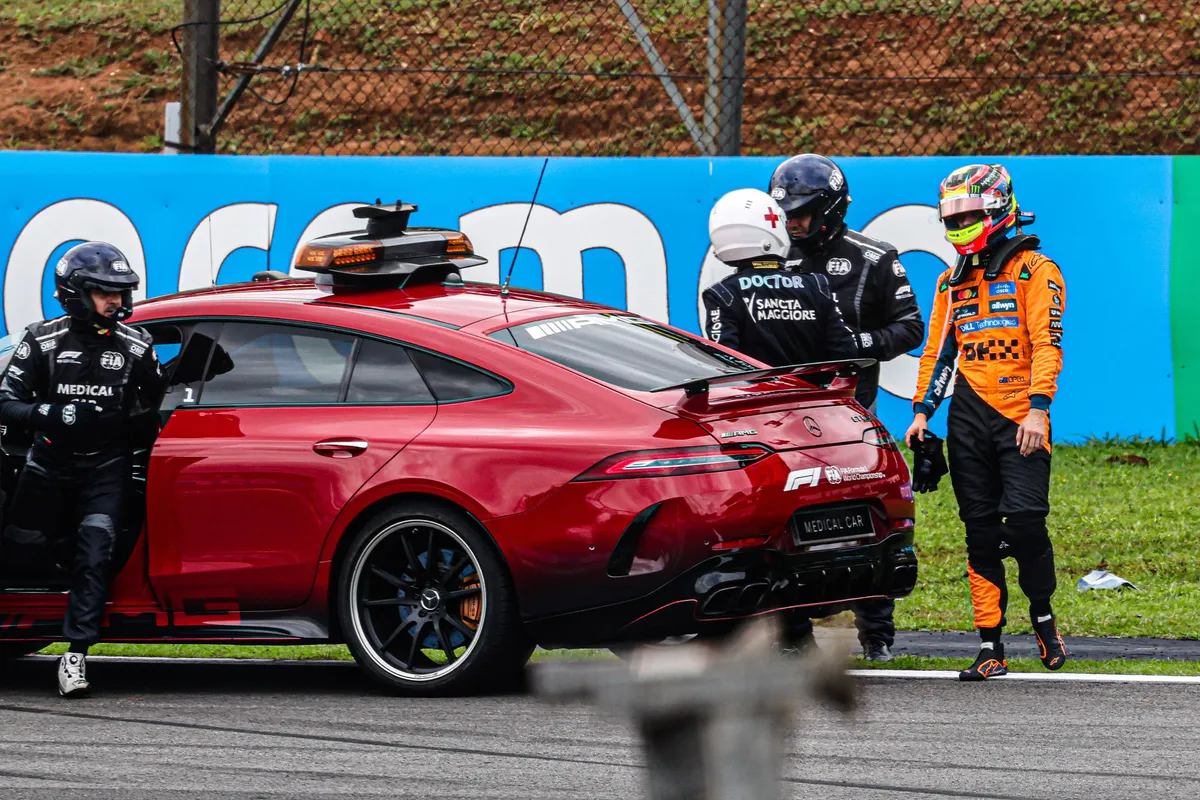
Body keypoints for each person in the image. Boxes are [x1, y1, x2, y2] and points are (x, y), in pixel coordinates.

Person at [905, 164, 1068, 681]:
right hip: (968, 417)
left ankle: (1043, 619)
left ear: (998, 209)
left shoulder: (1036, 269)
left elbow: (1047, 344)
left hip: (1021, 415)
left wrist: (1039, 408)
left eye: (968, 215)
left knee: (1025, 522)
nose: (959, 225)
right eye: (952, 218)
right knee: (979, 533)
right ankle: (990, 647)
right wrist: (921, 412)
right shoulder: (949, 281)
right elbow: (938, 353)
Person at [768, 153, 926, 662]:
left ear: (831, 208)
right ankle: (794, 636)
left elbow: (911, 327)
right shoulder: (771, 258)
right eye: (785, 213)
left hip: (852, 417)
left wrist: (854, 346)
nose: (793, 223)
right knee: (783, 524)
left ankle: (876, 635)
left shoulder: (874, 258)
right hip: (784, 422)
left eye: (801, 212)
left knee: (868, 519)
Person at [0, 242, 164, 697]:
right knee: (21, 554)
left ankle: (75, 655)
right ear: (75, 293)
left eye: (121, 291)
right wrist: (54, 414)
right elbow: (6, 403)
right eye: (104, 292)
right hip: (46, 467)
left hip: (106, 469)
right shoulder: (41, 339)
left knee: (95, 554)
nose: (116, 300)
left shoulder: (138, 345)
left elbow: (158, 404)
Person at [702, 188, 857, 368]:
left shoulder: (723, 295)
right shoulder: (816, 285)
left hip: (755, 387)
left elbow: (725, 362)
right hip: (813, 386)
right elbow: (846, 353)